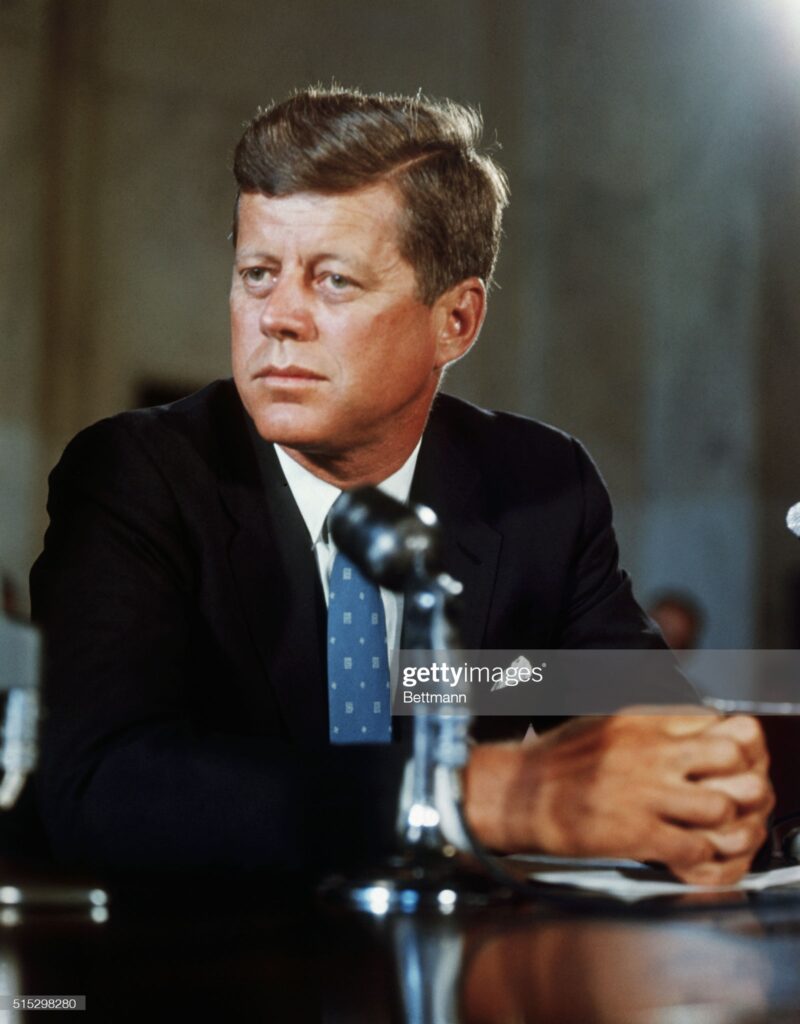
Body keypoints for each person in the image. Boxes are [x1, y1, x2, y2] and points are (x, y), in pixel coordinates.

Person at [30, 87, 771, 884]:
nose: (278, 317)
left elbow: (649, 732)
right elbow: (97, 785)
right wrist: (483, 795)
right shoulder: (136, 476)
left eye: (334, 281)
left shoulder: (541, 490)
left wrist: (706, 793)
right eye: (257, 273)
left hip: (470, 960)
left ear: (456, 321)